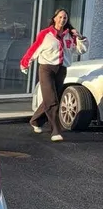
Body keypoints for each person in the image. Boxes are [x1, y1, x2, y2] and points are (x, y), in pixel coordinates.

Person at [20, 9, 88, 141]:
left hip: (61, 70)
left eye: (65, 18)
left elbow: (81, 50)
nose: (62, 20)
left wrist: (80, 37)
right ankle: (56, 131)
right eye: (60, 17)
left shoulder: (70, 35)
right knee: (52, 100)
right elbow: (34, 48)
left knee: (51, 98)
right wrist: (25, 62)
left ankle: (35, 121)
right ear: (55, 18)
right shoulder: (45, 34)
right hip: (46, 69)